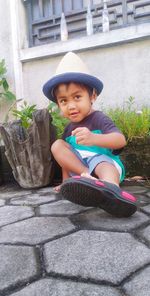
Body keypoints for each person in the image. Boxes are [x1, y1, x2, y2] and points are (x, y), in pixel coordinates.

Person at [43, 52, 137, 217]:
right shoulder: (69, 128)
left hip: (104, 165)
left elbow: (120, 140)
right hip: (82, 170)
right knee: (57, 145)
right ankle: (90, 181)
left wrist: (94, 138)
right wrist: (66, 181)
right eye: (64, 101)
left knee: (102, 164)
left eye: (77, 97)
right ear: (58, 104)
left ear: (92, 96)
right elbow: (64, 160)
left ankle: (110, 189)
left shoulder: (99, 118)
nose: (71, 106)